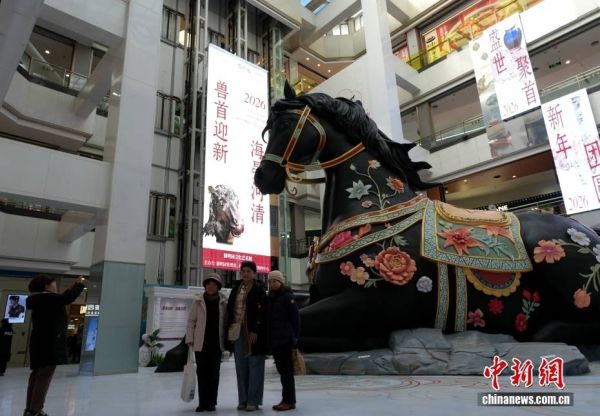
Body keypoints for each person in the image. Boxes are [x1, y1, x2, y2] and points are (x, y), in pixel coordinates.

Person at [25, 275, 85, 416]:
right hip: (50, 343)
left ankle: (30, 409)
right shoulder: (47, 298)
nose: (55, 286)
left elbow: (62, 298)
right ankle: (35, 410)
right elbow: (67, 298)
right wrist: (78, 284)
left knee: (36, 375)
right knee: (44, 376)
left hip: (39, 342)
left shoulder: (38, 299)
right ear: (47, 286)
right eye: (54, 284)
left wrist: (72, 287)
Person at [226, 261, 267, 412]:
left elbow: (262, 312)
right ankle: (243, 400)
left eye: (249, 271)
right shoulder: (236, 288)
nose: (245, 274)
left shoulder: (259, 289)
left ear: (254, 273)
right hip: (237, 332)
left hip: (253, 333)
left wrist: (256, 330)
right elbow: (230, 310)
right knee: (240, 366)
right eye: (243, 271)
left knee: (255, 365)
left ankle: (253, 401)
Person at [185, 273, 228, 412]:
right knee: (202, 373)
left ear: (218, 287)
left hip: (217, 343)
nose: (211, 286)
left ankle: (212, 402)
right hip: (201, 343)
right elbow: (191, 321)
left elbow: (226, 322)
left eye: (214, 284)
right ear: (205, 285)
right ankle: (202, 403)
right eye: (209, 283)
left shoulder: (224, 302)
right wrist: (189, 338)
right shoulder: (198, 301)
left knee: (214, 374)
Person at [266, 271, 300, 412]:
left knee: (286, 372)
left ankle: (289, 401)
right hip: (275, 340)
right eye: (270, 281)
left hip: (285, 340)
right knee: (282, 371)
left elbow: (295, 318)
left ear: (280, 282)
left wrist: (295, 337)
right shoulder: (271, 297)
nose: (272, 284)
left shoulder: (287, 297)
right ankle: (285, 399)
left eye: (275, 281)